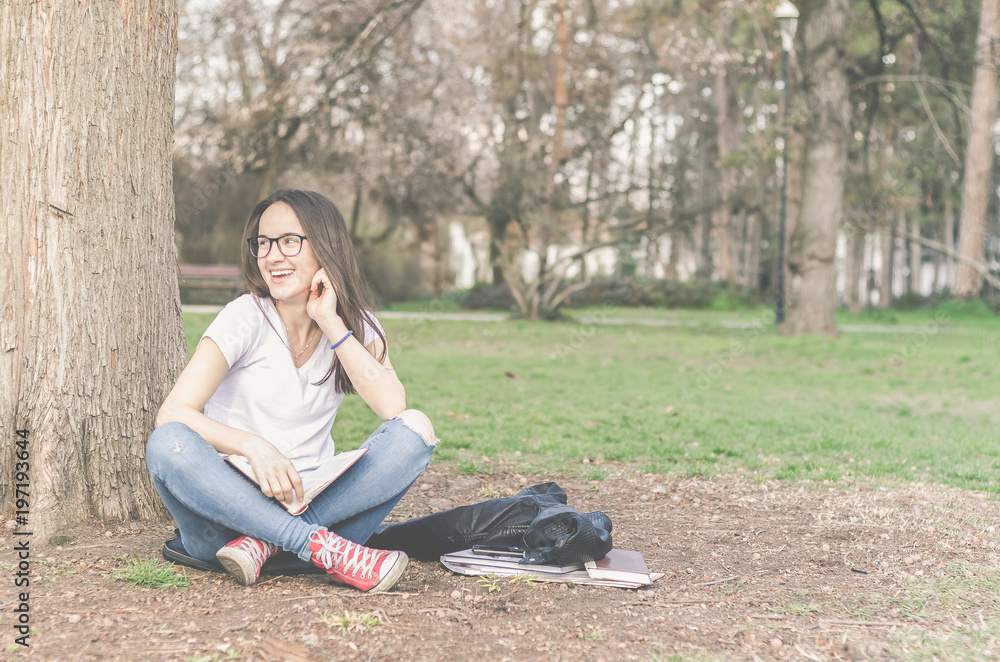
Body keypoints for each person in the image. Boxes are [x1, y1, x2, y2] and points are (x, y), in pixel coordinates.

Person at [146, 189, 437, 593]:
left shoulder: (356, 325)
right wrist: (254, 447)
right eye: (263, 243)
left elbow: (393, 406)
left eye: (289, 241)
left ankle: (269, 542)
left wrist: (331, 322)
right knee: (168, 443)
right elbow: (173, 412)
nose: (272, 256)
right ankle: (310, 544)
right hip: (224, 530)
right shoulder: (245, 316)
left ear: (325, 246)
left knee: (415, 431)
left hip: (316, 506)